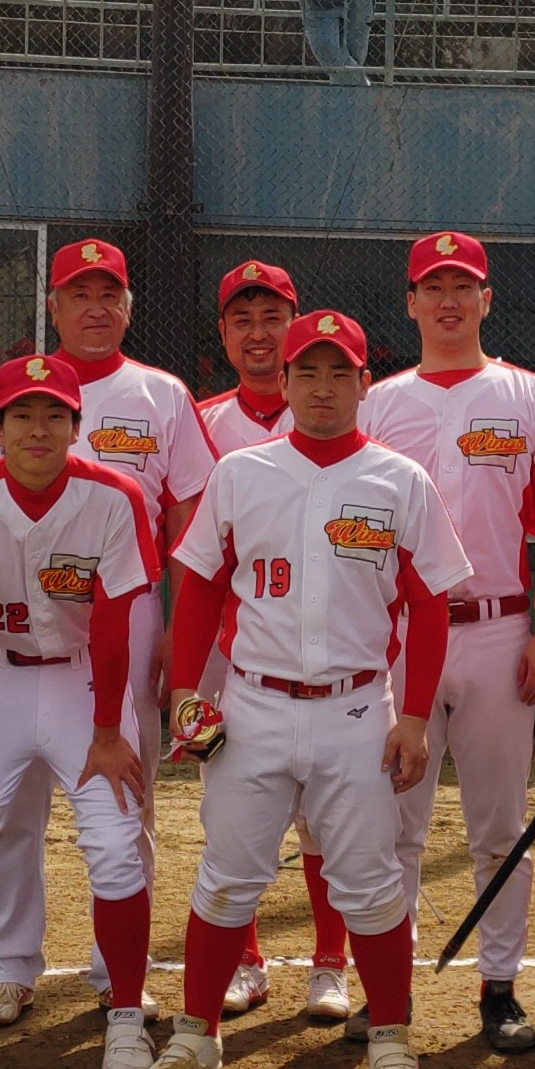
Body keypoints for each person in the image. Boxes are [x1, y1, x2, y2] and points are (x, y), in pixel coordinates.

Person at [148, 308, 468, 1069]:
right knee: (227, 874)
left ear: (365, 383)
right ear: (284, 382)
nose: (323, 388)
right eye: (307, 372)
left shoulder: (400, 479)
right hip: (251, 704)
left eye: (339, 373)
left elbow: (430, 607)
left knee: (369, 879)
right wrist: (187, 691)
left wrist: (415, 716)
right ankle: (197, 1032)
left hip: (356, 708)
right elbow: (201, 588)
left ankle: (389, 1034)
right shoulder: (240, 472)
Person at [0, 238, 213, 1024]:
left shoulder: (162, 393)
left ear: (128, 306)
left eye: (109, 293)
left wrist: (176, 626)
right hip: (13, 622)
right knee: (7, 809)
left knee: (126, 793)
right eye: (78, 294)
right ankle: (13, 964)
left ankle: (115, 971)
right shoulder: (6, 390)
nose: (95, 307)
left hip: (124, 613)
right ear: (53, 306)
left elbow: (188, 515)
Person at [358, 231, 535, 1053]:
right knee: (394, 819)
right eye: (433, 287)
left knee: (499, 824)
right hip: (400, 633)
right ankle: (387, 987)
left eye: (464, 287)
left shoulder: (528, 395)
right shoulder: (377, 403)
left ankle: (500, 986)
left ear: (486, 300)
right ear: (411, 302)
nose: (449, 301)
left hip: (497, 629)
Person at [0, 355, 159, 1069]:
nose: (38, 430)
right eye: (21, 415)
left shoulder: (114, 495)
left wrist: (108, 734)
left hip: (84, 683)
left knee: (115, 844)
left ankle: (126, 1016)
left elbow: (112, 626)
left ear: (78, 427)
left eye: (54, 415)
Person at [197, 257, 345, 1022]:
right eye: (242, 319)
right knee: (232, 809)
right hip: (234, 653)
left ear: (295, 325)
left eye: (272, 317)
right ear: (223, 333)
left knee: (327, 812)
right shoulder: (200, 420)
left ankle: (330, 962)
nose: (258, 333)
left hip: (328, 647)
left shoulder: (333, 407)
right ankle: (246, 961)